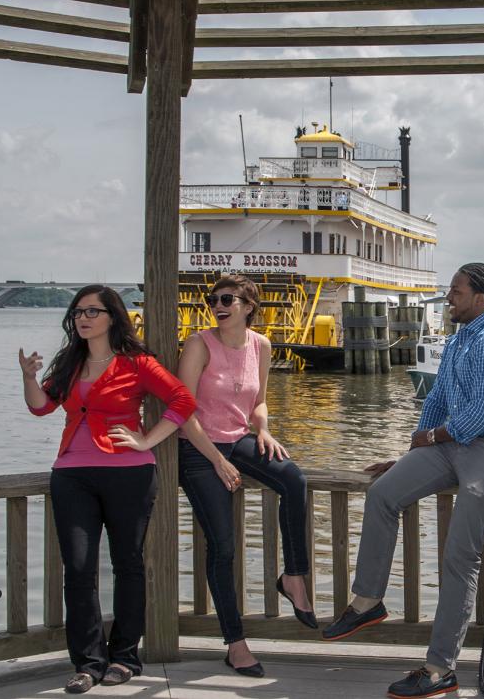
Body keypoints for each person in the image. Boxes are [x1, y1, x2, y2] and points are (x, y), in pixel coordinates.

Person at [322, 263, 484, 698]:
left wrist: (433, 437)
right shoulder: (460, 339)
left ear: (481, 297)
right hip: (453, 443)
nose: (449, 297)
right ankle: (367, 601)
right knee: (383, 492)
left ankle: (440, 668)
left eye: (455, 291)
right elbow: (437, 399)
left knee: (459, 554)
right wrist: (413, 452)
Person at [19, 285, 197, 695]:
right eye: (79, 311)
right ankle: (87, 662)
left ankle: (124, 656)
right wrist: (28, 378)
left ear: (113, 317)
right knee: (78, 569)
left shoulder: (137, 363)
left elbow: (183, 400)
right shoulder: (70, 361)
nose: (83, 318)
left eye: (93, 311)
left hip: (128, 473)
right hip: (72, 475)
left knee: (128, 565)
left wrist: (148, 439)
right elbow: (41, 406)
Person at [176, 274, 315, 678]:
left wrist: (265, 430)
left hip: (238, 439)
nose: (218, 305)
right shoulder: (199, 344)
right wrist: (217, 462)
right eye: (213, 299)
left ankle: (293, 576)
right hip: (199, 449)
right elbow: (183, 412)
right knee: (224, 547)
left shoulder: (262, 345)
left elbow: (259, 402)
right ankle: (235, 644)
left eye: (227, 299)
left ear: (249, 306)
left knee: (293, 478)